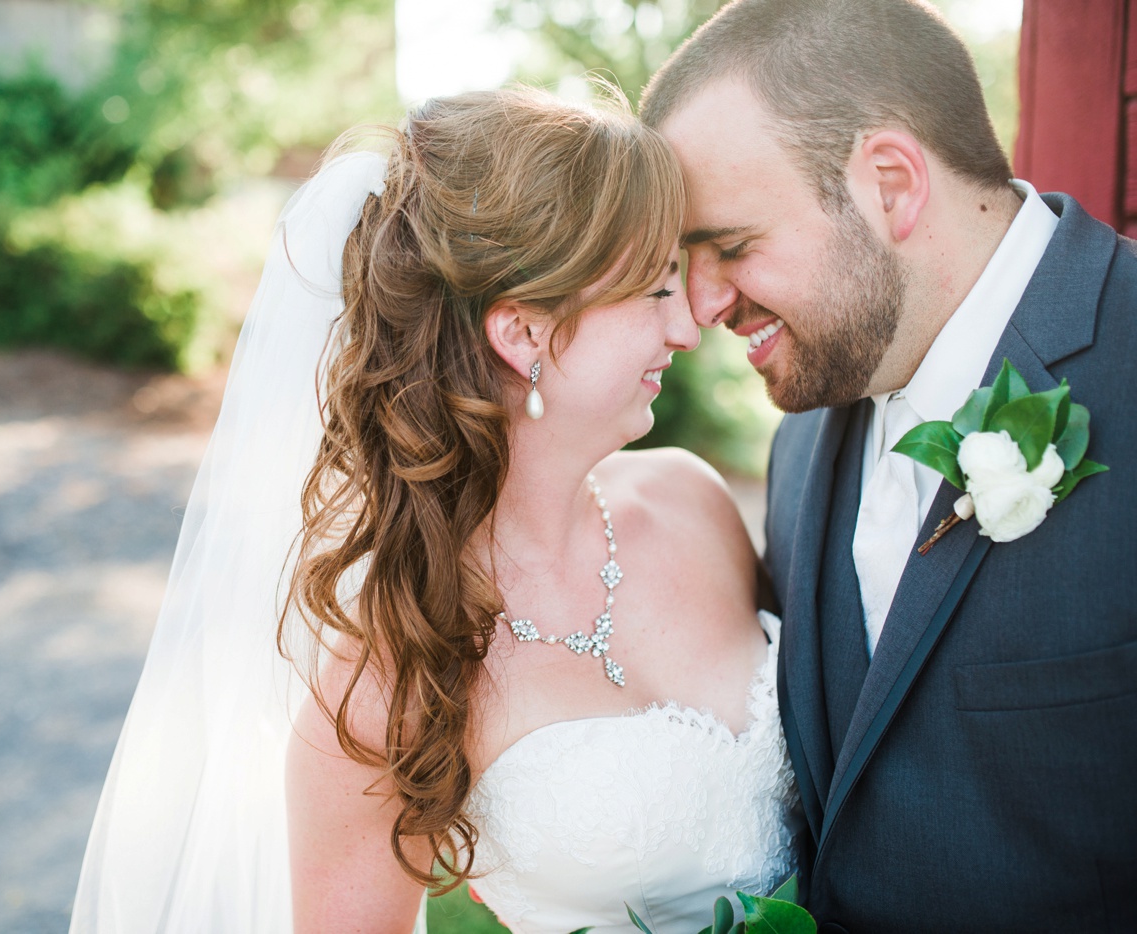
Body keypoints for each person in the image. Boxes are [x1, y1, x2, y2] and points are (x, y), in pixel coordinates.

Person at [70, 87, 801, 934]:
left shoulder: (692, 501)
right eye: (653, 289)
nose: (690, 325)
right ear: (523, 333)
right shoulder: (392, 662)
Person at [639, 1, 1137, 931]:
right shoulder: (798, 449)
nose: (701, 305)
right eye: (684, 260)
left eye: (732, 246)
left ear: (893, 182)